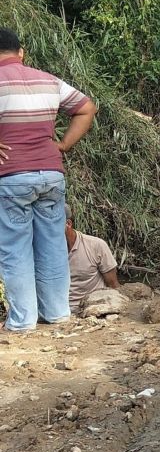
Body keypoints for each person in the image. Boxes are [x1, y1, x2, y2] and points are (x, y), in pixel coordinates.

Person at [0, 28, 97, 332]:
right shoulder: (48, 80)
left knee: (15, 248)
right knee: (53, 244)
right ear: (22, 51)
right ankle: (57, 314)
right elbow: (86, 108)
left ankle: (23, 321)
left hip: (12, 177)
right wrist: (64, 144)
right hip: (51, 175)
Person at [65, 204, 119, 312]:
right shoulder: (41, 252)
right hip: (57, 313)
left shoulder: (96, 245)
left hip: (90, 309)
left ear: (68, 224)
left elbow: (113, 285)